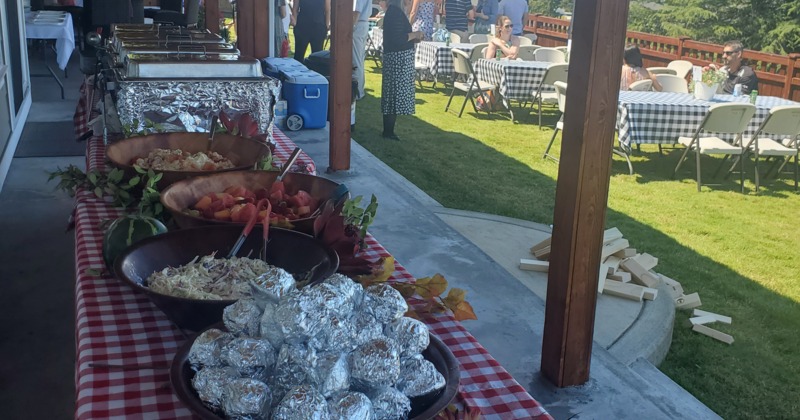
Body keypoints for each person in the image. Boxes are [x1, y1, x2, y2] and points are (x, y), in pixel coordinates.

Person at [382, 0, 425, 140]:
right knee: (394, 96)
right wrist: (415, 35)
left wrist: (413, 39)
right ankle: (388, 131)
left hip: (396, 57)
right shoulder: (395, 12)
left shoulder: (394, 12)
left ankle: (389, 130)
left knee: (392, 97)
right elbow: (397, 39)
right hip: (397, 59)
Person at [352, 0, 372, 100]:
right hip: (363, 23)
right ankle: (360, 90)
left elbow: (356, 11)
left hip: (358, 24)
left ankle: (357, 91)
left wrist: (352, 27)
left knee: (356, 60)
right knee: (359, 59)